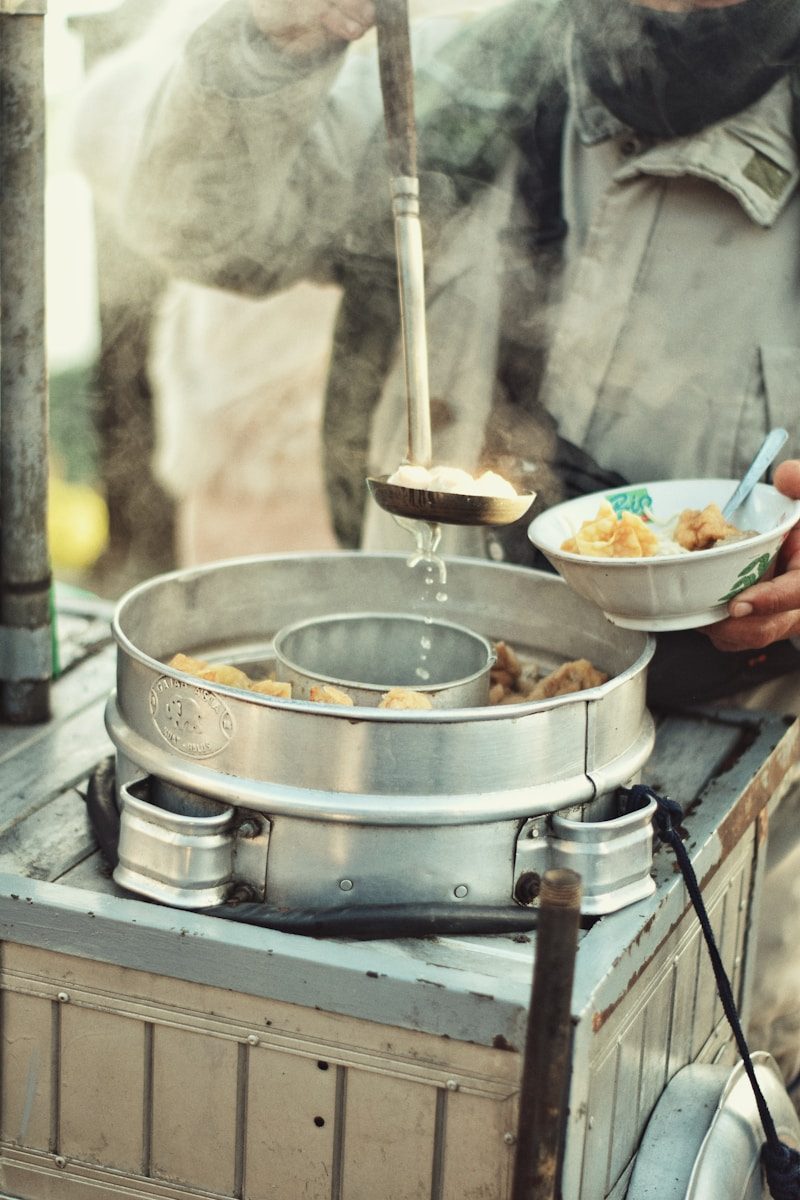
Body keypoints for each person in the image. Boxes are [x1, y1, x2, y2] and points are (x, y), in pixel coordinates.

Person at [76, 0, 800, 1086]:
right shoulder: (483, 71)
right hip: (393, 787)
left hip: (723, 826)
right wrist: (272, 43)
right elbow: (213, 229)